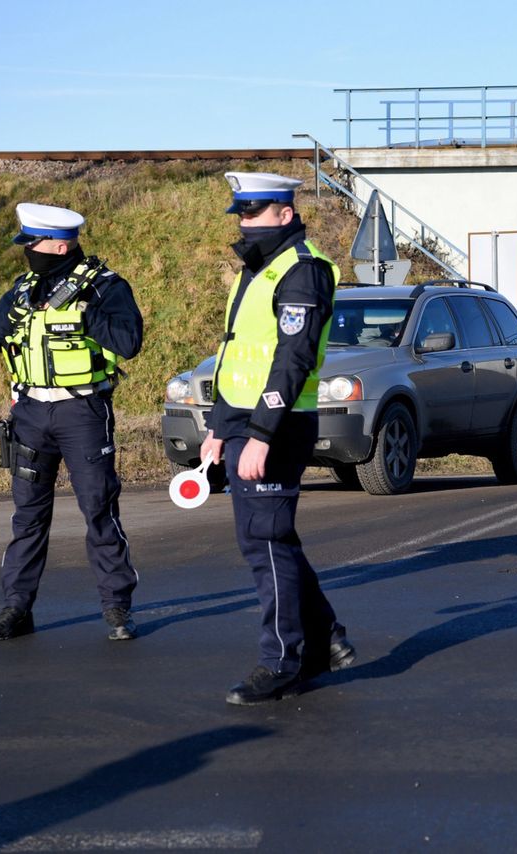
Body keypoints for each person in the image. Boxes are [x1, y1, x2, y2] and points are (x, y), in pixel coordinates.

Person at [200, 172, 355, 705]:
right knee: (273, 538)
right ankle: (324, 639)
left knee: (263, 541)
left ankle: (282, 661)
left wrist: (261, 435)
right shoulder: (258, 267)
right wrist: (219, 430)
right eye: (240, 214)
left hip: (279, 423)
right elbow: (235, 353)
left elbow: (293, 359)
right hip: (244, 422)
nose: (245, 223)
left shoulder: (303, 272)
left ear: (284, 215)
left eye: (255, 213)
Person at [0, 203, 143, 642]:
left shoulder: (106, 286)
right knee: (27, 516)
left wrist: (86, 314)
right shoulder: (22, 288)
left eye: (33, 244)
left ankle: (116, 608)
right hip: (29, 413)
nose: (28, 251)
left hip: (81, 412)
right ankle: (16, 608)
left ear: (60, 244)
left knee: (99, 509)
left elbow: (129, 342)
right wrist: (9, 315)